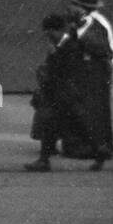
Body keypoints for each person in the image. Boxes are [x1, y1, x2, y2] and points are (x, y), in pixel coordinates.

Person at [59, 0, 113, 169]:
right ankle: (79, 146)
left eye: (75, 5)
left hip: (95, 74)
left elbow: (104, 49)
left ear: (84, 9)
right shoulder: (76, 25)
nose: (71, 8)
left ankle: (97, 148)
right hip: (81, 74)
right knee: (79, 109)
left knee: (94, 111)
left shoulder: (97, 25)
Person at [25, 13, 71, 171]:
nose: (47, 36)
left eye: (49, 32)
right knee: (49, 123)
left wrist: (54, 56)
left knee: (51, 122)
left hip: (62, 93)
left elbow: (64, 69)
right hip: (53, 93)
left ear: (57, 30)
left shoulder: (68, 46)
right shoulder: (59, 44)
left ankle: (100, 155)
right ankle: (45, 156)